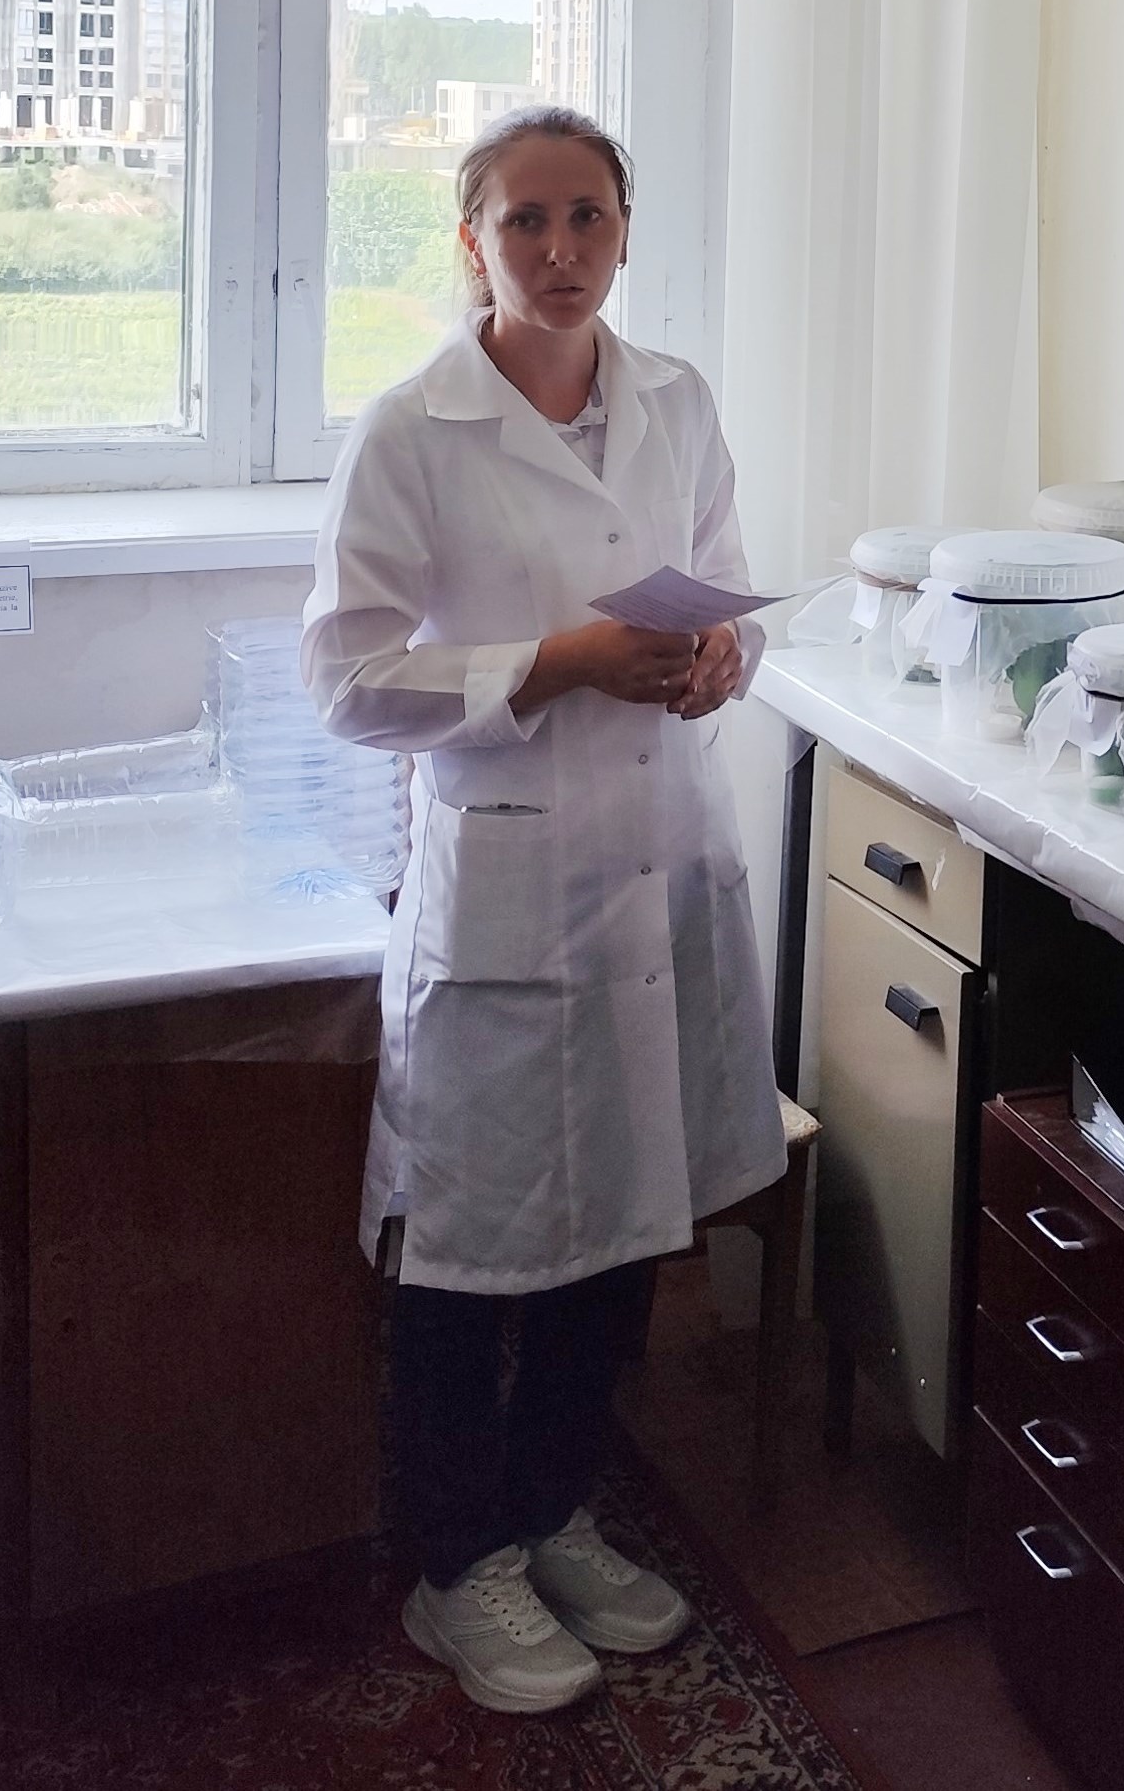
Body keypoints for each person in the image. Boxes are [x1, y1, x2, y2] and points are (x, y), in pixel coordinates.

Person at [302, 107, 786, 1715]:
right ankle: (458, 1568)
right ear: (473, 242)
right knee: (471, 1248)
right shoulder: (411, 429)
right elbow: (348, 680)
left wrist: (721, 661)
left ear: (627, 231)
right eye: (527, 221)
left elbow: (730, 593)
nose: (561, 252)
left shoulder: (677, 402)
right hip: (507, 880)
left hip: (659, 862)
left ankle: (555, 1510)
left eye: (588, 218)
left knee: (625, 1221)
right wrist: (560, 662)